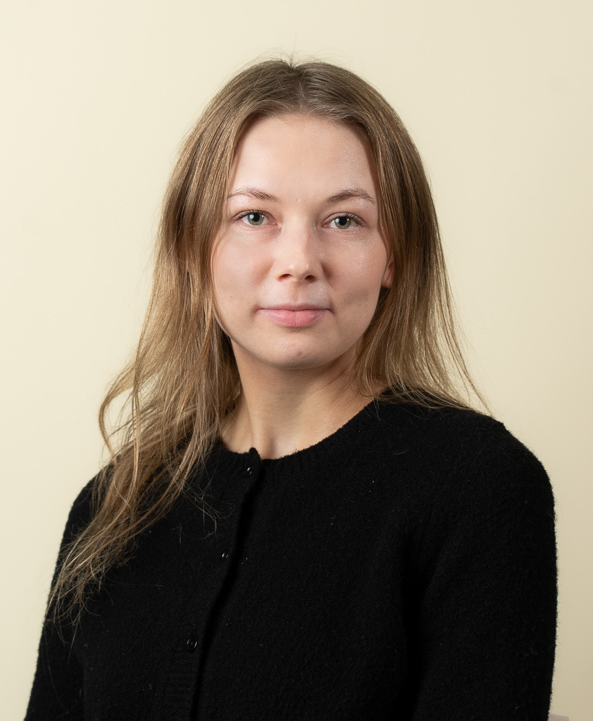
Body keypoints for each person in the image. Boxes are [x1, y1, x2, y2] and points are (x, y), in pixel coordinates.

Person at [26, 58, 557, 720]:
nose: (300, 262)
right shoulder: (113, 506)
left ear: (394, 255)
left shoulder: (478, 487)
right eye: (254, 216)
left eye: (344, 220)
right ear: (193, 250)